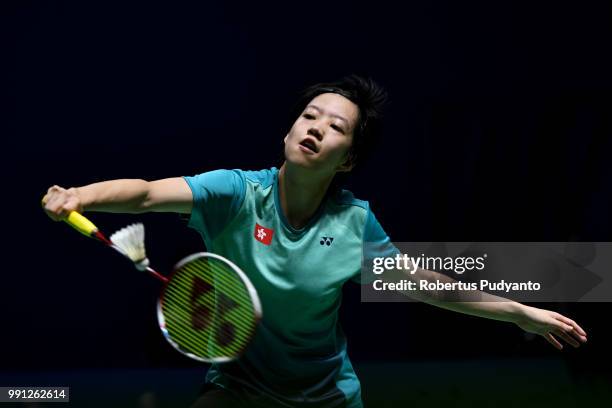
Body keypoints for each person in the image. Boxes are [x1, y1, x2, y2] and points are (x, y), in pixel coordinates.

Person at [42, 75, 587, 408]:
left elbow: (429, 287)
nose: (316, 127)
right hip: (238, 387)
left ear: (347, 158)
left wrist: (518, 311)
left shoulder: (353, 224)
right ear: (287, 132)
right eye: (309, 116)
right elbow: (143, 195)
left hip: (324, 397)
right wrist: (80, 196)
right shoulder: (235, 192)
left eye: (336, 126)